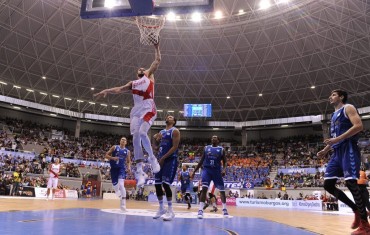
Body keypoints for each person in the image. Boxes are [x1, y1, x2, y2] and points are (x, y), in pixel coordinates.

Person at [94, 43, 161, 187]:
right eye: (140, 69)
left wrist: (156, 47)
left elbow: (157, 61)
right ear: (137, 73)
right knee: (136, 136)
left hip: (148, 107)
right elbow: (119, 89)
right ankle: (139, 169)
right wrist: (106, 90)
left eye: (144, 68)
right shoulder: (133, 83)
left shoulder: (149, 77)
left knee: (143, 133)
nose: (142, 69)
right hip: (137, 110)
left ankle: (152, 158)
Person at [317, 89, 369, 234]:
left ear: (341, 97)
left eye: (333, 94)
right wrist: (326, 150)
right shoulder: (333, 115)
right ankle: (356, 210)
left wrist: (338, 139)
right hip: (336, 152)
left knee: (351, 183)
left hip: (349, 148)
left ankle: (365, 225)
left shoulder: (348, 108)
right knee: (328, 185)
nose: (330, 97)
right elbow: (335, 137)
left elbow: (359, 126)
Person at [191, 135, 229, 219]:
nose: (213, 139)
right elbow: (201, 161)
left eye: (215, 138)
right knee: (204, 189)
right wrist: (194, 171)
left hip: (216, 171)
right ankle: (200, 210)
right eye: (212, 138)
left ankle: (224, 209)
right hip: (207, 170)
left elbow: (225, 162)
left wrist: (224, 169)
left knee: (222, 191)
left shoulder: (221, 150)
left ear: (218, 140)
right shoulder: (206, 148)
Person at [152, 115, 180, 221]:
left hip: (170, 160)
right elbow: (155, 142)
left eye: (171, 117)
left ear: (174, 121)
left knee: (165, 184)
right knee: (157, 184)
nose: (168, 117)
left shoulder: (175, 131)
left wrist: (163, 157)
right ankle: (161, 208)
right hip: (160, 159)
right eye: (167, 116)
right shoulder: (161, 132)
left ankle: (170, 211)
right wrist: (155, 143)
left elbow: (175, 147)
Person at [105, 137, 132, 212]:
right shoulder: (114, 147)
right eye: (122, 140)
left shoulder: (127, 151)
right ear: (120, 141)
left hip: (121, 169)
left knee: (121, 184)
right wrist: (113, 158)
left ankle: (123, 205)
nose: (123, 141)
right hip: (113, 169)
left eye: (125, 140)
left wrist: (129, 167)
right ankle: (119, 195)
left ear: (126, 142)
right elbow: (106, 155)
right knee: (115, 187)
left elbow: (128, 161)